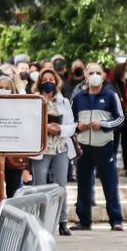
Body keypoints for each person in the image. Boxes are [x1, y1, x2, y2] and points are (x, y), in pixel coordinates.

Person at [72, 62, 126, 230]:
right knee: (83, 185)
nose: (94, 75)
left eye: (98, 72)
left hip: (104, 146)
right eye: (91, 73)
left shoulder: (111, 96)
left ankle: (116, 220)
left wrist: (103, 124)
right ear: (86, 77)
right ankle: (84, 221)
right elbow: (70, 122)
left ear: (103, 76)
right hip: (83, 147)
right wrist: (77, 126)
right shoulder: (78, 98)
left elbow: (120, 119)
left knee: (110, 184)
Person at [30, 68, 77, 235]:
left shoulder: (63, 102)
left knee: (61, 186)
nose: (48, 82)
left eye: (51, 78)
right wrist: (45, 128)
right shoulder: (34, 101)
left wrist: (60, 129)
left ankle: (62, 222)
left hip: (60, 148)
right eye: (45, 79)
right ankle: (40, 221)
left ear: (56, 82)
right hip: (42, 149)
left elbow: (72, 126)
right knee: (40, 184)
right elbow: (28, 124)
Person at [112, 61, 127, 178]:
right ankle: (111, 167)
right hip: (117, 118)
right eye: (126, 70)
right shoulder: (113, 85)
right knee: (114, 144)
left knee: (126, 144)